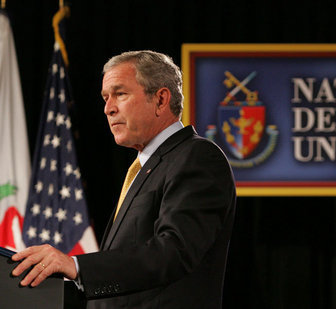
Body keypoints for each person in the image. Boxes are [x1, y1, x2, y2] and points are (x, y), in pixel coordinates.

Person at [11, 50, 236, 308]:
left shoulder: (197, 156)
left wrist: (76, 265)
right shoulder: (146, 166)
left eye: (120, 94)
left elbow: (174, 252)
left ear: (161, 99)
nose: (108, 108)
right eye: (105, 98)